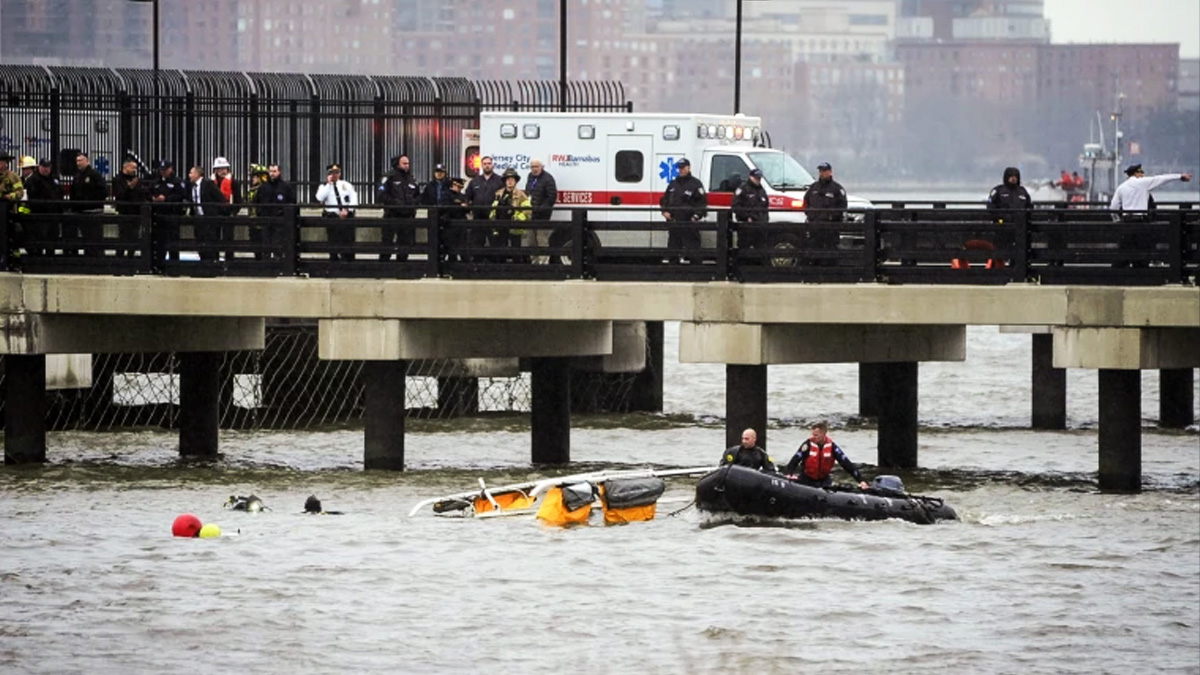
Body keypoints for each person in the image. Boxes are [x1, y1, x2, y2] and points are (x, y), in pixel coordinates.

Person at [1109, 164, 1193, 268]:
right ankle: (1141, 272)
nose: (1142, 175)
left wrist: (1117, 221)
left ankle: (1115, 274)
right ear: (1136, 174)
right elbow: (1161, 178)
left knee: (1124, 251)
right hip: (1141, 222)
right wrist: (1180, 176)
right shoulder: (1143, 183)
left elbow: (1113, 207)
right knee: (1142, 251)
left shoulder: (1121, 187)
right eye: (1141, 173)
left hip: (1127, 223)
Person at [784, 421, 869, 490]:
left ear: (823, 434)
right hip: (806, 478)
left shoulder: (832, 447)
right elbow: (795, 460)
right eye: (812, 434)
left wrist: (861, 480)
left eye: (816, 435)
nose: (813, 437)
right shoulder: (807, 445)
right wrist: (789, 474)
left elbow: (846, 464)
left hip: (824, 480)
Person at [659, 157, 707, 263]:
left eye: (683, 168)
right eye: (679, 168)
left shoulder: (695, 184)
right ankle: (673, 269)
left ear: (689, 168)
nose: (681, 170)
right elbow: (664, 200)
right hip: (674, 222)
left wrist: (696, 216)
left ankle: (695, 269)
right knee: (673, 248)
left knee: (693, 249)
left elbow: (702, 203)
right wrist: (664, 211)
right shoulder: (673, 184)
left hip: (689, 222)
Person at [802, 162, 846, 265]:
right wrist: (810, 214)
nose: (822, 173)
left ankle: (831, 270)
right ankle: (815, 270)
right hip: (815, 226)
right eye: (821, 171)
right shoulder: (813, 188)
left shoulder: (837, 189)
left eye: (824, 171)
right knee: (814, 250)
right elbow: (805, 202)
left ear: (830, 172)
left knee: (831, 251)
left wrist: (832, 216)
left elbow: (842, 206)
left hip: (830, 226)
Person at [378, 154, 420, 261]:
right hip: (392, 215)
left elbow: (418, 195)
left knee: (405, 242)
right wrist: (394, 203)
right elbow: (381, 194)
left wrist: (413, 203)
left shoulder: (411, 179)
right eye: (404, 163)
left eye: (408, 163)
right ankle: (384, 264)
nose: (407, 166)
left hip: (407, 216)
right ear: (397, 164)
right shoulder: (389, 177)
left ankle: (402, 264)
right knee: (387, 240)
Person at [315, 162, 358, 262]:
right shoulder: (324, 186)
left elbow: (354, 199)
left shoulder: (346, 185)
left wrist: (348, 210)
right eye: (332, 173)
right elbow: (319, 197)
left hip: (346, 215)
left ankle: (348, 260)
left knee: (348, 239)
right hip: (332, 216)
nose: (334, 175)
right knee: (333, 240)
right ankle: (334, 259)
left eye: (337, 172)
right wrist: (329, 184)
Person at [464, 156, 505, 259]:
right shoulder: (474, 181)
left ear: (492, 165)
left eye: (489, 163)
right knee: (477, 241)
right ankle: (478, 262)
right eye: (485, 164)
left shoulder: (500, 181)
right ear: (481, 165)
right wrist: (469, 207)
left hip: (493, 218)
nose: (487, 166)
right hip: (478, 217)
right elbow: (468, 196)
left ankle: (495, 263)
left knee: (494, 242)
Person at [149, 160, 189, 266]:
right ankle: (159, 265)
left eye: (165, 170)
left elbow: (181, 195)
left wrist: (166, 199)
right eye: (161, 170)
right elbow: (149, 192)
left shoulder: (177, 182)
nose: (163, 172)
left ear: (170, 169)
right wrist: (154, 198)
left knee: (173, 241)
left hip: (172, 215)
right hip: (158, 216)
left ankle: (174, 265)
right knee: (159, 242)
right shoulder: (156, 182)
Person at [21, 159, 63, 256]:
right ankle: (38, 258)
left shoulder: (54, 179)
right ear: (39, 167)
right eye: (44, 167)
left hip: (53, 215)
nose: (46, 169)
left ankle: (50, 257)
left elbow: (59, 193)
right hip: (39, 216)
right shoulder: (32, 180)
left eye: (48, 167)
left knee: (52, 239)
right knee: (39, 238)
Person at [69, 152, 108, 255]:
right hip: (81, 212)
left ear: (87, 161)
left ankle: (97, 257)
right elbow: (73, 193)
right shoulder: (77, 176)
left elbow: (104, 191)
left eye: (81, 160)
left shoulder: (95, 175)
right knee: (86, 237)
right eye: (77, 161)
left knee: (95, 238)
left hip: (93, 212)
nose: (78, 163)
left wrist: (90, 200)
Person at [488, 167, 531, 260]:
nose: (510, 181)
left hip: (514, 227)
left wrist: (517, 219)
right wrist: (493, 218)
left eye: (512, 179)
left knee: (516, 251)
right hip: (500, 226)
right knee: (501, 250)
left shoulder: (521, 195)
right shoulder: (498, 193)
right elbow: (493, 208)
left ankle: (516, 266)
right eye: (508, 179)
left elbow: (527, 211)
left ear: (516, 181)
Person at [186, 165, 225, 262]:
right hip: (198, 218)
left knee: (211, 241)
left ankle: (212, 262)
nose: (189, 175)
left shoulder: (208, 184)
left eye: (191, 173)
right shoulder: (191, 186)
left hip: (209, 219)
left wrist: (216, 212)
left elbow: (220, 198)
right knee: (199, 241)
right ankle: (203, 261)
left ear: (197, 174)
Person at [112, 159, 149, 257]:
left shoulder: (136, 180)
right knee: (123, 236)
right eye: (133, 168)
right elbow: (119, 195)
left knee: (134, 236)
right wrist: (129, 188)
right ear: (126, 167)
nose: (134, 170)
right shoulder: (118, 180)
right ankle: (119, 257)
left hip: (136, 212)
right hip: (124, 212)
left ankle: (131, 256)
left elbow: (141, 194)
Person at [731, 167, 769, 262]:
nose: (758, 180)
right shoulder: (743, 189)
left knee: (760, 249)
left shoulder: (761, 190)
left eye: (759, 178)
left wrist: (764, 219)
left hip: (760, 225)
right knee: (744, 249)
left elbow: (765, 206)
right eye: (756, 178)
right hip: (746, 226)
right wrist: (746, 216)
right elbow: (736, 206)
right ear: (750, 177)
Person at [420, 163, 455, 257]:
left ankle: (451, 260)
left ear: (445, 173)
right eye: (437, 172)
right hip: (434, 216)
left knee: (449, 240)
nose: (439, 174)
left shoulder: (451, 185)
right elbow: (424, 199)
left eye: (441, 172)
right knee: (434, 240)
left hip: (448, 215)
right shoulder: (429, 186)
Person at [525, 158, 558, 254]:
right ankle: (533, 261)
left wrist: (541, 208)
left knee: (542, 240)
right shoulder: (530, 177)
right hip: (530, 214)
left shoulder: (548, 179)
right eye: (532, 167)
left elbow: (551, 197)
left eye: (536, 167)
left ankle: (543, 262)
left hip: (542, 215)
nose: (534, 169)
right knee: (531, 241)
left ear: (542, 167)